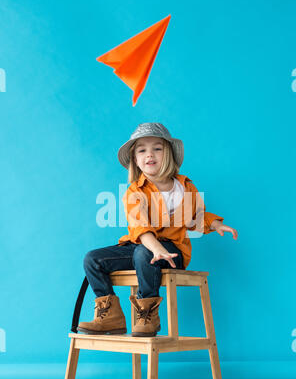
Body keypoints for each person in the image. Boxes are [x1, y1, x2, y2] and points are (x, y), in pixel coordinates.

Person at [78, 123, 238, 337]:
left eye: (157, 148)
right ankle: (110, 316)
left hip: (173, 252)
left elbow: (195, 217)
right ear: (135, 160)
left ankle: (147, 314)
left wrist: (215, 224)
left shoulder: (185, 186)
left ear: (169, 154)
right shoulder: (135, 191)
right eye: (141, 150)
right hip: (142, 245)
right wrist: (154, 248)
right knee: (93, 258)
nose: (149, 154)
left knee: (143, 254)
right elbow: (140, 226)